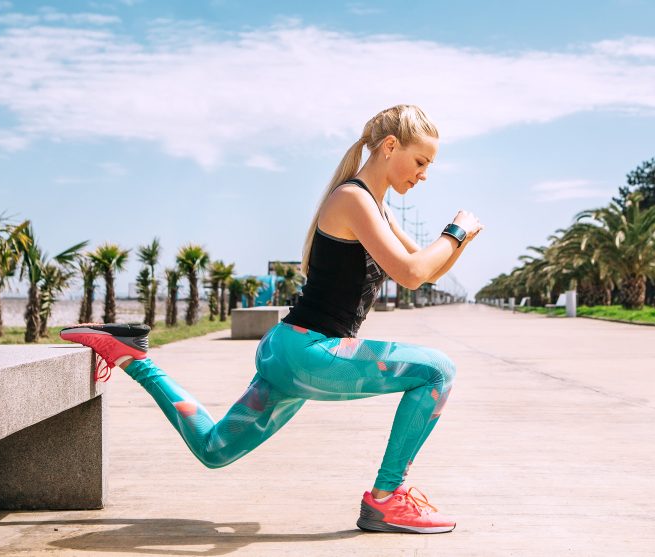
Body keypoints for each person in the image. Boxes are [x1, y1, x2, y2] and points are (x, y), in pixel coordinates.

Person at [60, 104, 484, 534]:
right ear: (390, 147)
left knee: (215, 449)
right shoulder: (353, 198)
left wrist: (460, 239)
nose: (424, 173)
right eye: (420, 161)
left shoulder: (379, 208)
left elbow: (423, 270)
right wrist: (455, 231)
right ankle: (386, 499)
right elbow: (411, 274)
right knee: (438, 371)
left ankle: (134, 357)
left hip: (293, 353)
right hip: (311, 352)